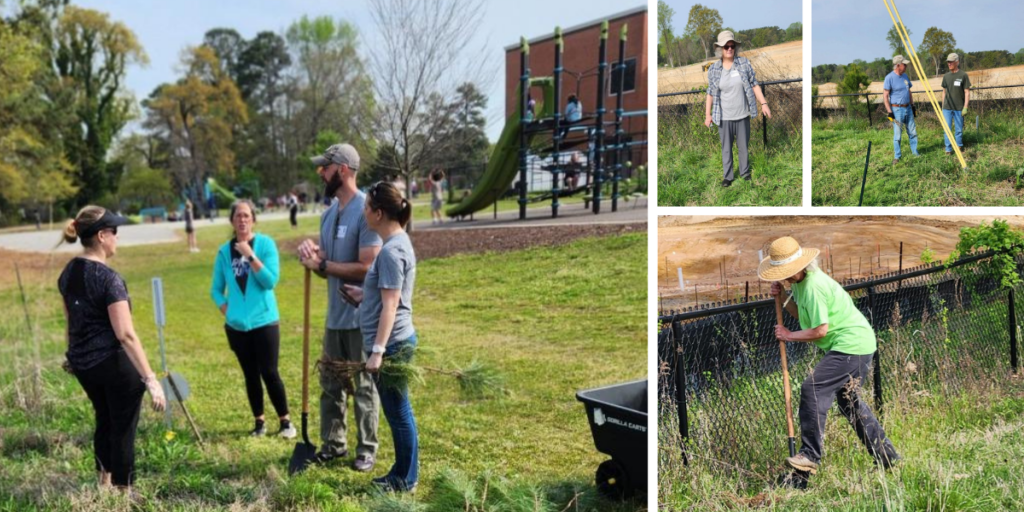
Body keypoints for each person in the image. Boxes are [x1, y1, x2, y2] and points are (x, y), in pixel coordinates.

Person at [760, 236, 900, 476]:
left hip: (851, 344)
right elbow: (802, 316)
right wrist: (782, 297)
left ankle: (810, 456)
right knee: (849, 403)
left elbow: (819, 330)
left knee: (812, 388)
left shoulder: (813, 285)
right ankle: (887, 457)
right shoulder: (800, 284)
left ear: (798, 267)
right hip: (856, 344)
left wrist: (788, 335)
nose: (783, 275)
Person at [57, 206, 167, 492]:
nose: (118, 237)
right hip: (114, 366)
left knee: (104, 419)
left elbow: (71, 321)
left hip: (84, 365)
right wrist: (150, 378)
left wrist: (72, 354)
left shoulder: (68, 272)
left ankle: (103, 484)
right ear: (102, 236)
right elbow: (126, 335)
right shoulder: (109, 279)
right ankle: (123, 492)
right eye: (115, 232)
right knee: (123, 428)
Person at [297, 143, 383, 471]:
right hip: (334, 317)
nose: (322, 172)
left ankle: (366, 449)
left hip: (361, 319)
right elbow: (326, 270)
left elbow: (367, 266)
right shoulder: (328, 214)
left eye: (326, 166)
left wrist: (322, 265)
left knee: (362, 386)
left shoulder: (366, 209)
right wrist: (312, 259)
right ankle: (334, 445)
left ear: (343, 170)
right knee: (330, 386)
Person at [342, 181, 419, 493]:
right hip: (395, 341)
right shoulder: (397, 243)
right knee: (399, 410)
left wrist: (377, 351)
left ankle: (406, 479)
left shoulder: (390, 251)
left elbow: (391, 306)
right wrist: (364, 295)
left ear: (378, 213)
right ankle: (402, 472)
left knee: (398, 413)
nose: (363, 212)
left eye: (366, 207)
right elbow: (388, 297)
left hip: (393, 345)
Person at [210, 200, 295, 439]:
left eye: (247, 216)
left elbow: (270, 281)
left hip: (265, 322)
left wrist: (250, 256)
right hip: (237, 327)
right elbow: (216, 290)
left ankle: (286, 422)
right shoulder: (224, 252)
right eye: (238, 216)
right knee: (250, 374)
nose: (242, 220)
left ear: (253, 219)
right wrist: (228, 310)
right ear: (232, 221)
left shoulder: (266, 245)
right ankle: (259, 422)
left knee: (270, 372)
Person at [704, 31, 772, 187]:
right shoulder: (714, 69)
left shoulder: (743, 64)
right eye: (726, 46)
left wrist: (764, 103)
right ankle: (728, 177)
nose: (729, 49)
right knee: (726, 149)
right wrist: (708, 115)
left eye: (732, 46)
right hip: (723, 117)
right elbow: (710, 93)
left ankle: (745, 173)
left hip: (742, 115)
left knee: (743, 147)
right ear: (720, 48)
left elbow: (754, 84)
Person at [883, 55, 920, 164]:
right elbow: (885, 96)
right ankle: (897, 156)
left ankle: (915, 152)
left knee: (912, 131)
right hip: (897, 109)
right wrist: (889, 111)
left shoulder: (905, 76)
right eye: (904, 64)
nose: (906, 66)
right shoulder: (889, 78)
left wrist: (912, 106)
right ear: (898, 65)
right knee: (898, 134)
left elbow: (909, 91)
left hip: (908, 108)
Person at [941, 53, 971, 156]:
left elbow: (967, 92)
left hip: (959, 108)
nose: (949, 64)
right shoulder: (946, 76)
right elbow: (944, 92)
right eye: (948, 62)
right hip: (947, 108)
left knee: (958, 129)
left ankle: (959, 147)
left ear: (957, 62)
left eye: (951, 62)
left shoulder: (963, 75)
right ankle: (948, 149)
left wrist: (965, 107)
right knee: (947, 129)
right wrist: (942, 107)